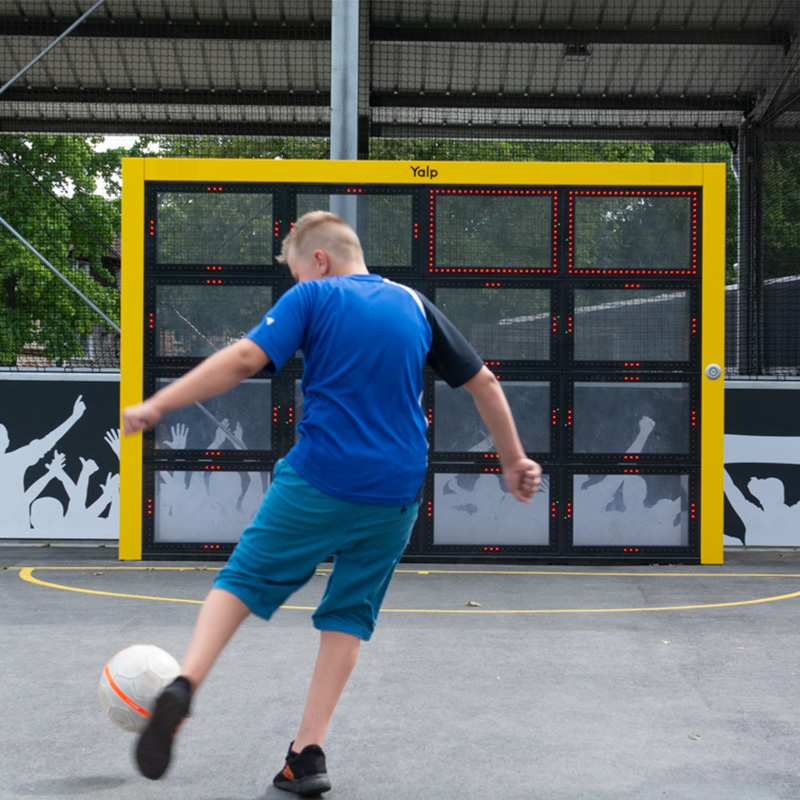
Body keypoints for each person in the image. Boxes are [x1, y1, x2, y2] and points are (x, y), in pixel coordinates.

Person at [121, 210, 542, 795]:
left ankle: (185, 684)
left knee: (243, 578)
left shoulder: (314, 299)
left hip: (321, 478)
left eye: (296, 273)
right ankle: (306, 754)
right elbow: (485, 384)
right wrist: (514, 460)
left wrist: (160, 404)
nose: (296, 285)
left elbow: (245, 359)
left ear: (317, 261)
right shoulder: (416, 304)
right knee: (348, 612)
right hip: (396, 492)